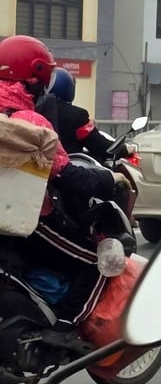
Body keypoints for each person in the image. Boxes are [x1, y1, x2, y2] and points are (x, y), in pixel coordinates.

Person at [0, 35, 124, 353]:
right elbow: (66, 175)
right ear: (38, 74)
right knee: (97, 262)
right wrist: (108, 181)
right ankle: (65, 328)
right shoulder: (30, 122)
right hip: (24, 220)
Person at [37, 67, 129, 160]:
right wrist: (126, 149)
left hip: (36, 168)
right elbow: (102, 147)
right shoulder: (77, 115)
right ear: (68, 88)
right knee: (110, 174)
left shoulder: (33, 110)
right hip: (68, 169)